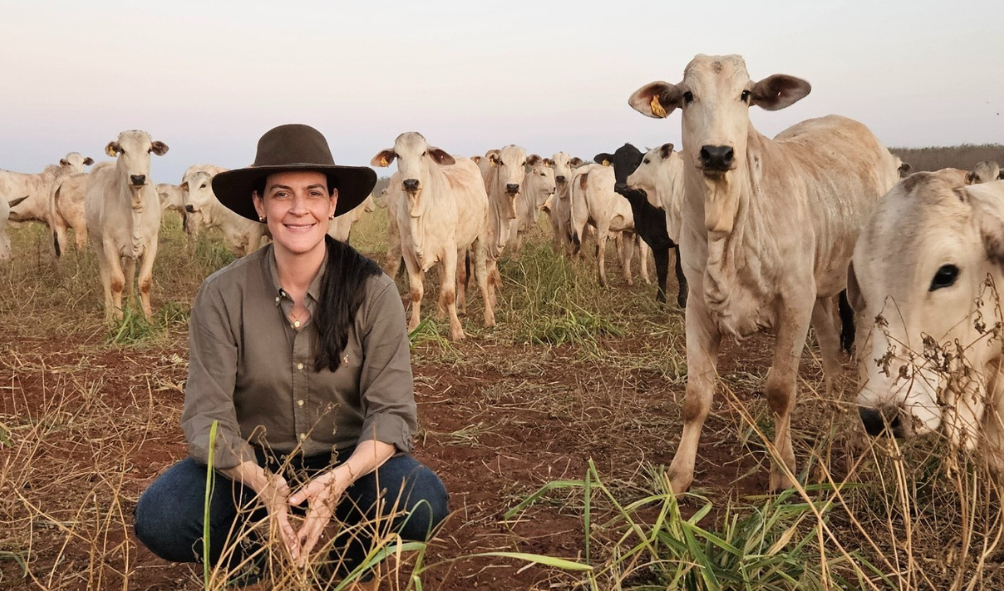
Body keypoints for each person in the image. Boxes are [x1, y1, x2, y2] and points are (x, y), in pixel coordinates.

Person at [133, 124, 449, 587]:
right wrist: (261, 481)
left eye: (313, 194)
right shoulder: (222, 295)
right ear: (260, 206)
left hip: (349, 457)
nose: (299, 209)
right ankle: (247, 563)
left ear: (333, 203)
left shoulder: (372, 291)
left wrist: (341, 478)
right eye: (282, 195)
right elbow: (207, 417)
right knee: (163, 516)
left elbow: (392, 413)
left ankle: (342, 564)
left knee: (421, 500)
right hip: (250, 461)